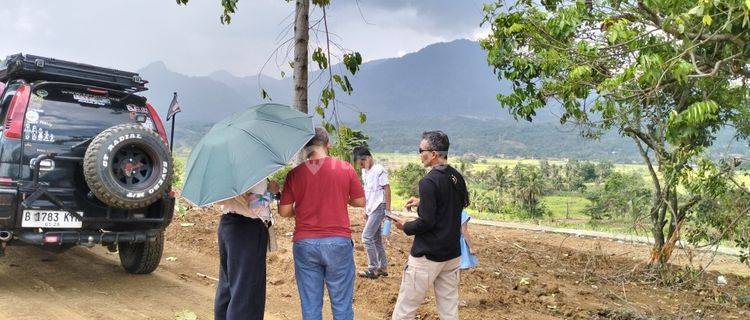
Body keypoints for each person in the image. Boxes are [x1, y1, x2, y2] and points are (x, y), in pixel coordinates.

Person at [279, 128, 366, 320]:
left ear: (306, 148)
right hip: (338, 242)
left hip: (305, 243)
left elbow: (284, 211)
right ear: (329, 144)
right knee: (342, 304)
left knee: (310, 305)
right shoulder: (345, 168)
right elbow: (360, 201)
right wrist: (344, 198)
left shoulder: (294, 174)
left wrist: (300, 209)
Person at [389, 131, 469, 320]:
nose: (420, 154)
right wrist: (423, 201)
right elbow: (457, 204)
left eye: (421, 150)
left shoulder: (429, 181)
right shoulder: (456, 176)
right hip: (451, 254)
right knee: (449, 308)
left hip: (428, 255)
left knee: (405, 308)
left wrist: (405, 226)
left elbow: (426, 222)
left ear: (433, 154)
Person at [214, 178, 279, 320]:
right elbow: (255, 204)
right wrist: (271, 192)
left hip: (227, 225)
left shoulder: (226, 171)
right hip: (247, 229)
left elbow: (218, 200)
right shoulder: (253, 172)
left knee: (228, 285)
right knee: (246, 290)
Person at [352, 146, 391, 279]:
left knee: (366, 237)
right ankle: (382, 267)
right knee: (375, 239)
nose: (361, 167)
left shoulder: (379, 170)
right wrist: (366, 209)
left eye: (362, 163)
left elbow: (387, 189)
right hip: (371, 207)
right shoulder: (365, 172)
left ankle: (372, 268)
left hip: (379, 206)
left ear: (368, 158)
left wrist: (388, 211)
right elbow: (367, 192)